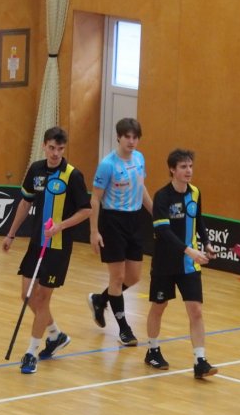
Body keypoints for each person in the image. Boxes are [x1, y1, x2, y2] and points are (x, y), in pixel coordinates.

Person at [3, 126, 92, 374]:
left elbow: (86, 210)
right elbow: (25, 202)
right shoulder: (36, 170)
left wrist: (60, 226)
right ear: (44, 146)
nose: (55, 153)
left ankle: (31, 352)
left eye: (60, 149)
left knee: (42, 298)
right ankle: (55, 335)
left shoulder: (73, 175)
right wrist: (11, 234)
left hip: (58, 248)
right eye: (52, 148)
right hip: (36, 244)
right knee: (27, 295)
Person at [144, 149, 219, 379]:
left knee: (195, 310)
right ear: (172, 169)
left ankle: (200, 361)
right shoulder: (162, 197)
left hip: (189, 265)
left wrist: (206, 243)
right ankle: (152, 350)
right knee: (159, 306)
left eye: (190, 166)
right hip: (165, 263)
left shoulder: (195, 193)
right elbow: (163, 231)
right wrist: (189, 250)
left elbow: (199, 221)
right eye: (183, 167)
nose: (188, 171)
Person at [88, 117, 154, 346]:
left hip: (135, 221)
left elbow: (141, 188)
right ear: (119, 137)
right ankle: (124, 329)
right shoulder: (108, 165)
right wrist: (94, 231)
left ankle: (100, 299)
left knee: (133, 277)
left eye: (135, 137)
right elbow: (95, 199)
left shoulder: (139, 158)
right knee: (117, 277)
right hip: (113, 222)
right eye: (127, 137)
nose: (131, 141)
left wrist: (156, 214)